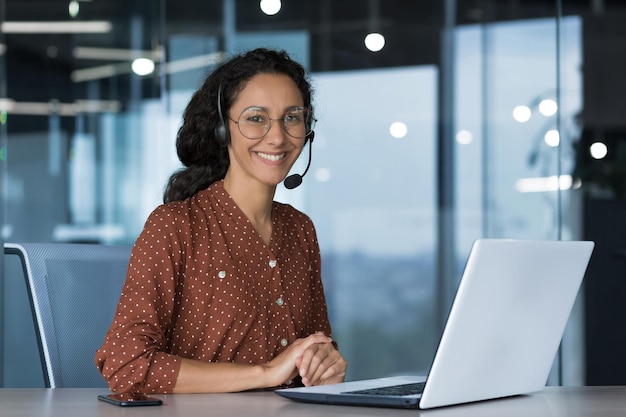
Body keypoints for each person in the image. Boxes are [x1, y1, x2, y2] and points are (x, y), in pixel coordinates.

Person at [95, 48, 347, 394]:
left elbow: (316, 347)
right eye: (256, 118)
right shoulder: (174, 226)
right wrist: (266, 373)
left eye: (292, 117)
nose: (277, 137)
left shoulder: (300, 229)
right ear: (221, 128)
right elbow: (126, 365)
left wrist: (325, 364)